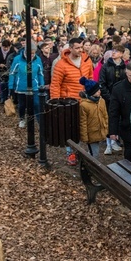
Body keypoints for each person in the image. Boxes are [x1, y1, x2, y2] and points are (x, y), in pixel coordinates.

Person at [50, 37, 94, 165]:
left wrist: (92, 93)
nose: (81, 50)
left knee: (82, 127)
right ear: (70, 48)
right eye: (77, 48)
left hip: (84, 100)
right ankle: (71, 153)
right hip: (68, 101)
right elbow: (55, 85)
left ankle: (80, 151)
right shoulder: (61, 64)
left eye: (82, 47)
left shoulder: (86, 60)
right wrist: (56, 102)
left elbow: (90, 78)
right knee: (70, 128)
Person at [108, 60, 131, 164]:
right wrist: (113, 131)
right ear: (126, 74)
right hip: (127, 126)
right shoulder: (118, 88)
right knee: (129, 155)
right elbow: (114, 111)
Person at [8, 43, 44, 129]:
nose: (32, 55)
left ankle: (39, 122)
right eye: (30, 53)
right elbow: (12, 73)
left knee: (36, 104)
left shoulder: (37, 59)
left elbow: (40, 73)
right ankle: (22, 119)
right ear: (25, 52)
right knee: (22, 105)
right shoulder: (17, 59)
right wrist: (11, 86)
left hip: (34, 86)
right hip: (21, 86)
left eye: (33, 53)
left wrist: (41, 85)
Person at [98, 44, 126, 154]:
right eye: (113, 50)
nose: (114, 52)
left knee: (118, 119)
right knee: (109, 119)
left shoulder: (124, 67)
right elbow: (102, 83)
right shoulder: (106, 66)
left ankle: (115, 141)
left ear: (122, 54)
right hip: (108, 98)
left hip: (120, 98)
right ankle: (108, 144)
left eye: (117, 51)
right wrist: (109, 97)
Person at [78, 78, 108, 156]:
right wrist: (84, 137)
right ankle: (88, 166)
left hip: (99, 131)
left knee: (94, 153)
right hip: (91, 133)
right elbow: (83, 122)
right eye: (97, 91)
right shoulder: (84, 105)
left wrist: (106, 128)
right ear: (92, 92)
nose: (100, 91)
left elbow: (105, 116)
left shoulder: (102, 101)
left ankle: (88, 165)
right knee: (94, 154)